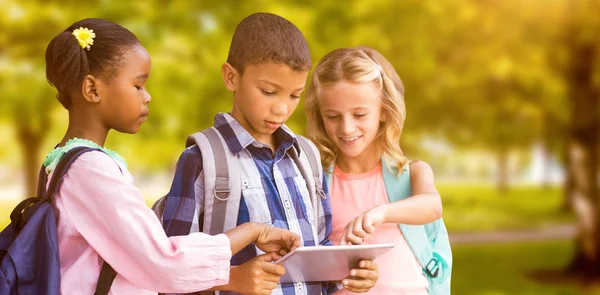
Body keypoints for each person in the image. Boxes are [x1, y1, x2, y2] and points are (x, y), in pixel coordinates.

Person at [44, 18, 300, 294]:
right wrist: (250, 237)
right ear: (92, 89)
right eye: (138, 85)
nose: (148, 97)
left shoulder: (66, 163)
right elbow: (163, 261)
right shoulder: (90, 169)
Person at [157, 13, 378, 295]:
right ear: (231, 77)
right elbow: (169, 271)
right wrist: (233, 277)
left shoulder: (307, 157)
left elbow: (320, 247)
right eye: (269, 91)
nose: (282, 109)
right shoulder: (202, 160)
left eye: (294, 95)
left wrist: (348, 272)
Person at [305, 46, 452, 295]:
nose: (347, 128)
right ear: (320, 116)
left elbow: (432, 206)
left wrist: (382, 212)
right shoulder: (316, 182)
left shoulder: (412, 174)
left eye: (360, 114)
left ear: (383, 111)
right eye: (333, 116)